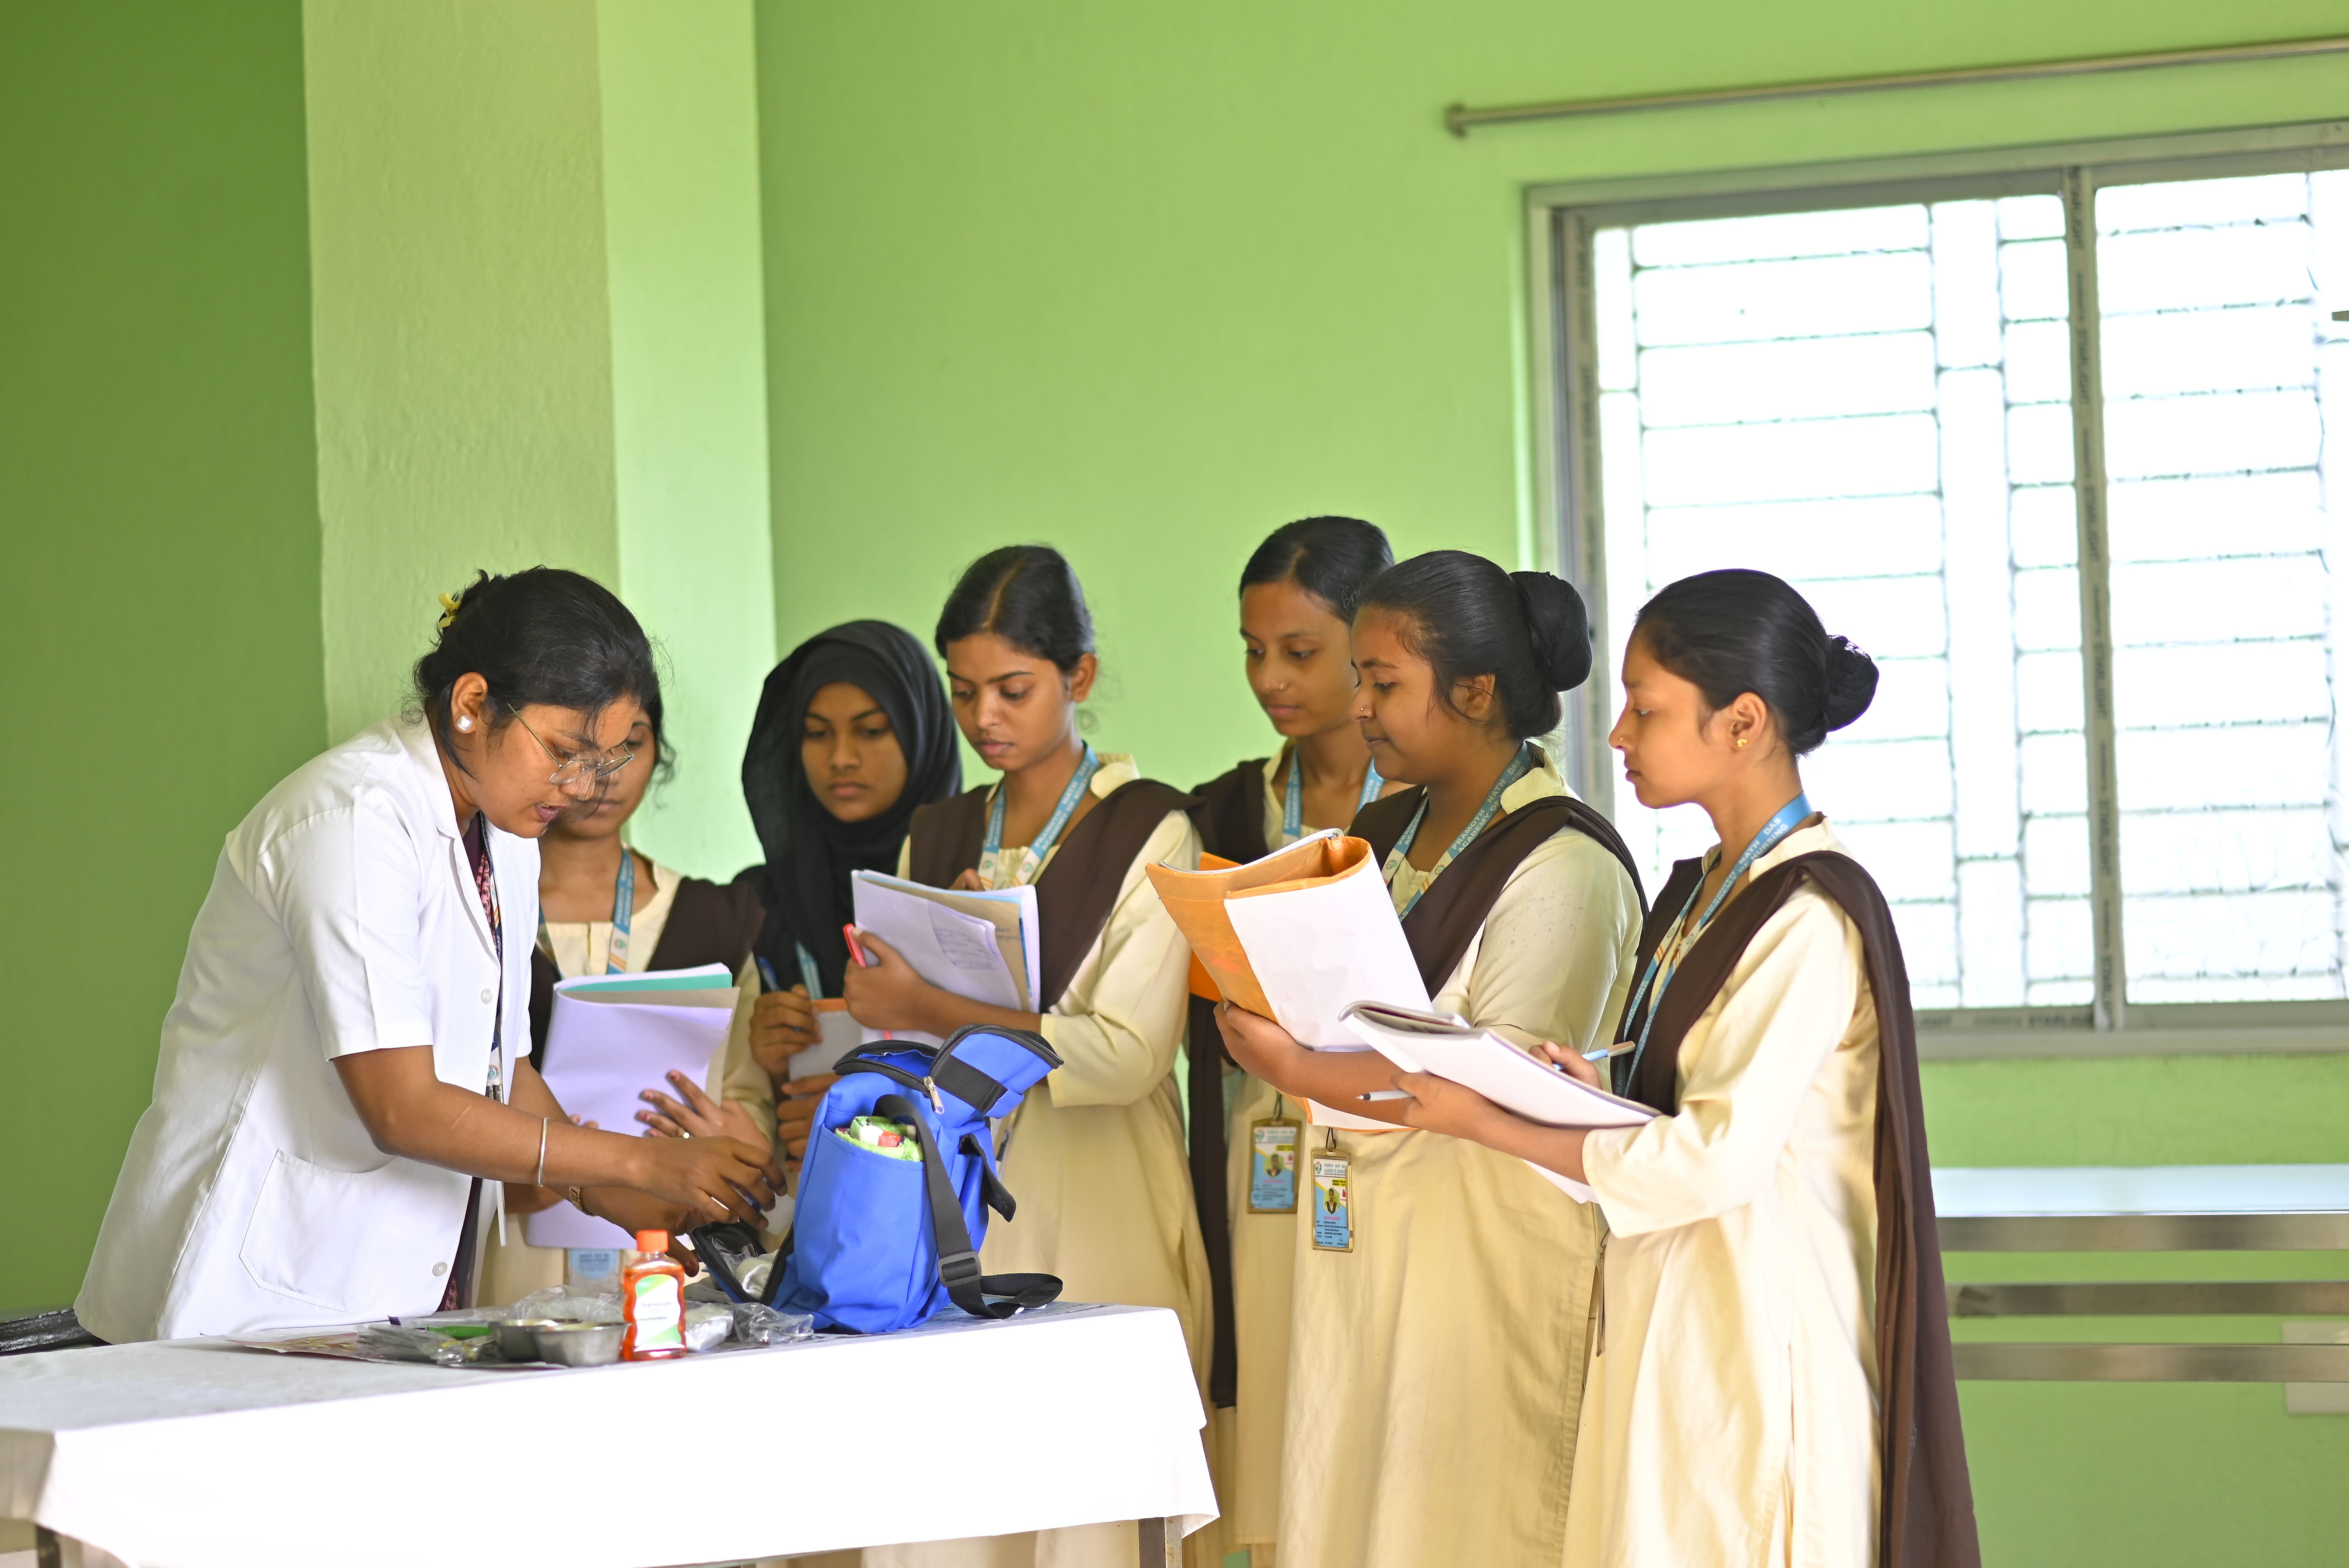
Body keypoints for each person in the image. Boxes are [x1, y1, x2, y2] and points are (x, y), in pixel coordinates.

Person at [1387, 568, 1981, 1568]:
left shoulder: (1803, 918)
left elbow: (1712, 1161)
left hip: (1752, 1354)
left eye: (1646, 708)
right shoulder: (1705, 893)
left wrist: (1481, 1119)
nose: (1616, 735)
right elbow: (1672, 1112)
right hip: (1673, 1331)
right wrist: (1589, 1095)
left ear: (1741, 722)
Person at [77, 568, 778, 1342]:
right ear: (472, 704)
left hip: (393, 1290)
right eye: (564, 752)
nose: (581, 789)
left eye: (604, 762)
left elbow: (504, 1070)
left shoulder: (503, 829)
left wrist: (608, 1195)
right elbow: (401, 1106)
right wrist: (637, 1163)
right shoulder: (349, 819)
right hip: (244, 1289)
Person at [1216, 550, 1645, 1568]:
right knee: (1359, 1518)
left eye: (1383, 683)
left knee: (1463, 1525)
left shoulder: (1563, 863)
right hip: (1365, 1251)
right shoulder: (1384, 831)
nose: (1357, 706)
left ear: (1477, 691)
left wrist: (1292, 1068)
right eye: (1359, 679)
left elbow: (1492, 1085)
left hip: (1478, 1266)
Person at [853, 545, 1205, 1568]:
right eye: (965, 693)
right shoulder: (940, 828)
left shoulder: (1151, 827)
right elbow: (905, 1037)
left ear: (1079, 677)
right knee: (955, 1511)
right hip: (959, 1197)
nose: (986, 719)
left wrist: (931, 999)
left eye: (1014, 690)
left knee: (1081, 1515)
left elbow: (1125, 1057)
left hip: (1100, 1199)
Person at [1186, 515, 1395, 1568]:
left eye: (1300, 653)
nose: (1271, 679)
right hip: (1249, 1159)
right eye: (1253, 652)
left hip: (1383, 1153)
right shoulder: (1224, 806)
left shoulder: (1423, 812)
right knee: (1266, 1408)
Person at [477, 689, 773, 1306]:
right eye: (580, 747)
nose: (604, 773)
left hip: (668, 1249)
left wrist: (733, 1132)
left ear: (658, 753)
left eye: (629, 746)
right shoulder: (483, 909)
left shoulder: (713, 919)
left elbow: (748, 1089)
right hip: (513, 1253)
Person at [732, 621, 962, 1180]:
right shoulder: (758, 903)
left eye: (872, 731)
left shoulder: (964, 890)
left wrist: (871, 1116)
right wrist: (758, 1053)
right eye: (816, 733)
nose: (841, 758)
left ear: (920, 732)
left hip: (957, 1223)